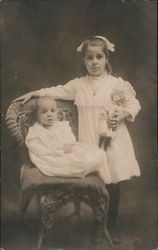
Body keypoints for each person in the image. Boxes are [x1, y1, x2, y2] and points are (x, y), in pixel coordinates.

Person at [14, 35, 141, 242]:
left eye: (99, 57)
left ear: (106, 59)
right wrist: (35, 92)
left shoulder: (116, 84)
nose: (95, 62)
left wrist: (123, 114)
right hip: (89, 140)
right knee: (94, 183)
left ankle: (110, 225)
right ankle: (96, 223)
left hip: (113, 140)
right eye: (89, 58)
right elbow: (58, 91)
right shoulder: (79, 84)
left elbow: (133, 103)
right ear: (84, 61)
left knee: (112, 183)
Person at [25, 95, 109, 183]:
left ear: (56, 112)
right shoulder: (36, 130)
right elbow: (33, 146)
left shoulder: (62, 126)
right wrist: (51, 152)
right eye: (44, 112)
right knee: (72, 163)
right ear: (37, 116)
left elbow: (70, 137)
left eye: (52, 111)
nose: (49, 114)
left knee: (97, 154)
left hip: (67, 150)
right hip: (50, 156)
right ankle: (81, 167)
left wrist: (69, 144)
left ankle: (86, 164)